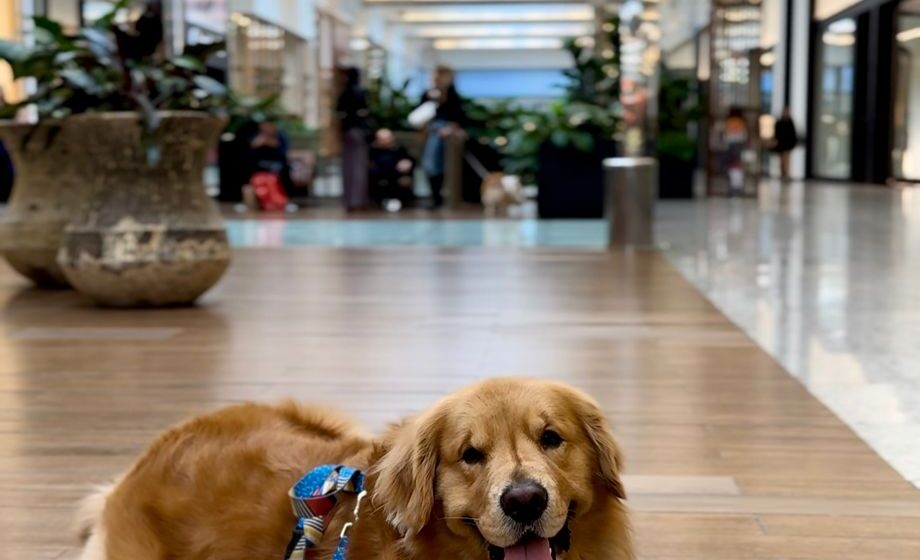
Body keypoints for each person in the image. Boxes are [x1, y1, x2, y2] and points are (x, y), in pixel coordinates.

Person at [418, 65, 466, 209]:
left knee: (439, 165)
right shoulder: (428, 93)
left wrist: (450, 127)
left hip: (444, 133)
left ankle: (441, 197)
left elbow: (458, 115)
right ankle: (435, 196)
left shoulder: (451, 94)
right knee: (429, 164)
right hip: (430, 131)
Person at [335, 66, 370, 212]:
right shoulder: (360, 92)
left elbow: (339, 113)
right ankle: (357, 199)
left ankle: (352, 200)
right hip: (357, 133)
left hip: (350, 132)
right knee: (358, 167)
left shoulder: (346, 93)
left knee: (351, 168)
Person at [369, 128, 415, 211]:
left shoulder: (400, 149)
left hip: (397, 177)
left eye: (388, 138)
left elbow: (412, 160)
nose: (386, 141)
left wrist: (407, 163)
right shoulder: (372, 150)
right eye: (383, 139)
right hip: (379, 178)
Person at [773, 107, 798, 180]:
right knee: (782, 161)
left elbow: (793, 135)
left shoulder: (790, 122)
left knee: (786, 160)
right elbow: (776, 133)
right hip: (781, 145)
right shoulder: (779, 122)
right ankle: (783, 174)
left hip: (787, 145)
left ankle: (786, 174)